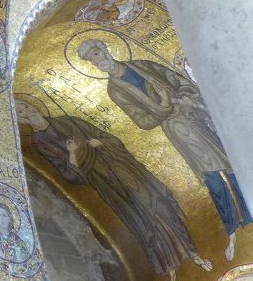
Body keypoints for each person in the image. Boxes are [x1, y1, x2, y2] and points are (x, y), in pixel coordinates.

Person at [78, 39, 252, 260]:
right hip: (176, 129)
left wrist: (187, 95)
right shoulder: (115, 91)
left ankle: (252, 212)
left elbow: (177, 80)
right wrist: (163, 107)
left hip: (194, 117)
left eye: (96, 53)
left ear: (105, 49)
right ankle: (232, 227)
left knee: (229, 162)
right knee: (211, 173)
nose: (96, 60)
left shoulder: (142, 65)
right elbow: (142, 121)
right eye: (91, 59)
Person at [15, 98, 211, 276]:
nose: (28, 110)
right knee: (142, 222)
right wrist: (73, 153)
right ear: (21, 121)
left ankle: (195, 254)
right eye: (21, 111)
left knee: (162, 207)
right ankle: (170, 267)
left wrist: (99, 142)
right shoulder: (40, 142)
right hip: (106, 184)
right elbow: (69, 176)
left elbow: (111, 139)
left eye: (26, 105)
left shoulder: (68, 120)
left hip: (123, 170)